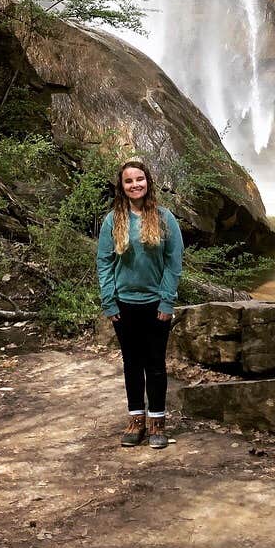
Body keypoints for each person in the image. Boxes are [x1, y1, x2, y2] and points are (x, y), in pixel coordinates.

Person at [96, 156, 184, 449]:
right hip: (124, 305)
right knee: (132, 364)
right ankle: (136, 419)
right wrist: (109, 303)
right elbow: (104, 263)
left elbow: (173, 264)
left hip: (156, 305)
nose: (135, 184)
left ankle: (157, 421)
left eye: (140, 179)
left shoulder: (164, 218)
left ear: (148, 182)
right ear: (122, 187)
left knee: (156, 364)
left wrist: (167, 301)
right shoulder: (113, 220)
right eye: (129, 181)